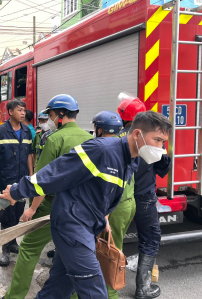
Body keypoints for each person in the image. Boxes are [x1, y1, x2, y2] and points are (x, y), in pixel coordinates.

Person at [0, 111, 171, 299]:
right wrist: (16, 192)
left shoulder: (131, 159)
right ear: (137, 134)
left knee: (57, 291)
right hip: (72, 226)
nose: (161, 148)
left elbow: (105, 191)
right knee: (95, 293)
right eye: (157, 140)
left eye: (163, 142)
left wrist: (104, 217)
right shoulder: (102, 150)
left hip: (87, 226)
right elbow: (56, 173)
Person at [2, 94, 92, 299]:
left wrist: (32, 209)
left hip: (53, 206)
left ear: (60, 115)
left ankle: (14, 296)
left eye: (50, 115)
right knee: (72, 254)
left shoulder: (54, 139)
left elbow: (41, 182)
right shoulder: (89, 138)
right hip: (81, 208)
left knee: (28, 249)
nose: (49, 119)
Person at [117, 94, 171, 299]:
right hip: (144, 198)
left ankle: (109, 284)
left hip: (118, 199)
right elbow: (164, 168)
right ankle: (143, 289)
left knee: (113, 239)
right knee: (149, 239)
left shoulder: (114, 138)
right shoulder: (150, 140)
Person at [0, 99, 34, 267]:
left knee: (18, 211)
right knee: (6, 215)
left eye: (24, 110)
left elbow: (29, 155)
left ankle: (12, 243)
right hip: (6, 181)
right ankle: (5, 248)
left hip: (22, 181)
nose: (23, 113)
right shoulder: (1, 131)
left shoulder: (27, 131)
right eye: (19, 110)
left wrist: (31, 176)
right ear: (10, 112)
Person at [92, 110, 136, 299]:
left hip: (114, 207)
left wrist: (105, 215)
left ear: (100, 130)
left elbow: (108, 185)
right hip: (128, 202)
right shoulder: (126, 143)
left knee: (109, 254)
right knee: (113, 248)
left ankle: (110, 294)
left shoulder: (105, 149)